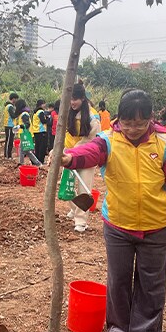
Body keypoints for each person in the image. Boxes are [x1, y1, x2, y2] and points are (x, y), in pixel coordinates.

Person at [61, 90, 166, 332]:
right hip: (118, 224)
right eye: (128, 123)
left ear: (150, 120)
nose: (133, 129)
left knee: (151, 283)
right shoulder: (109, 141)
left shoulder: (165, 145)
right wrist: (70, 157)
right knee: (118, 279)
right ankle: (118, 330)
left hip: (155, 226)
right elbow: (89, 152)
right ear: (120, 119)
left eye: (140, 124)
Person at [65, 83, 102, 232]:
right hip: (68, 155)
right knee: (66, 186)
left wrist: (73, 150)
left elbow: (92, 140)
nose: (72, 102)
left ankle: (81, 221)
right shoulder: (70, 113)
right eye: (70, 99)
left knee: (83, 188)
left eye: (75, 99)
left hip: (86, 156)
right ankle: (74, 209)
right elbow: (66, 136)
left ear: (82, 98)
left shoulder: (93, 117)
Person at [14, 99, 43, 167]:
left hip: (26, 135)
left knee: (22, 149)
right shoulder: (23, 114)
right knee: (27, 151)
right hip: (24, 135)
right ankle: (38, 163)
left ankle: (21, 164)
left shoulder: (24, 114)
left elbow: (27, 124)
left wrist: (19, 126)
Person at [31, 99, 49, 164]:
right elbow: (43, 121)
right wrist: (48, 118)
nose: (45, 105)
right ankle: (41, 160)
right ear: (41, 104)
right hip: (41, 131)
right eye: (44, 104)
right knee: (42, 147)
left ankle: (36, 161)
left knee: (37, 147)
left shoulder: (35, 112)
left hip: (36, 131)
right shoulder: (41, 111)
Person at [3, 92, 19, 159]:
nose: (16, 101)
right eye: (16, 99)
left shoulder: (9, 106)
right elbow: (13, 116)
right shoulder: (10, 107)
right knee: (9, 141)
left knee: (9, 141)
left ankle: (8, 155)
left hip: (10, 125)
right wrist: (18, 112)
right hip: (9, 126)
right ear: (13, 99)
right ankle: (7, 156)